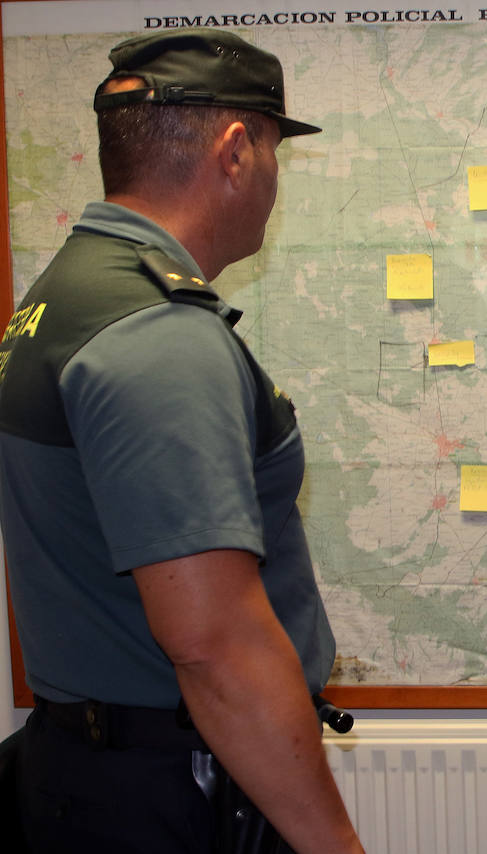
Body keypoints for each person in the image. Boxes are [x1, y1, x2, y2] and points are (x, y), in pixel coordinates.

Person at [0, 28, 364, 854]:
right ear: (237, 150)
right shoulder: (158, 334)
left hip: (87, 771)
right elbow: (214, 644)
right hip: (166, 791)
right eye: (275, 152)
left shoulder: (62, 295)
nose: (276, 182)